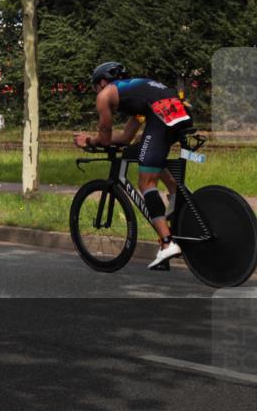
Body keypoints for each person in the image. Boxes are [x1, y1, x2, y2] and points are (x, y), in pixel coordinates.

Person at [73, 62, 193, 270]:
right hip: (178, 113)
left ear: (102, 82)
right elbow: (127, 137)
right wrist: (106, 140)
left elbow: (104, 136)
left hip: (160, 118)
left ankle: (167, 242)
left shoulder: (104, 96)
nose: (96, 92)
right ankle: (175, 202)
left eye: (95, 86)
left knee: (146, 183)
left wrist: (89, 140)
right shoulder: (136, 91)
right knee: (144, 154)